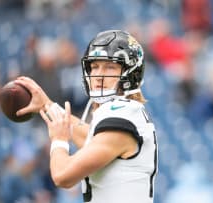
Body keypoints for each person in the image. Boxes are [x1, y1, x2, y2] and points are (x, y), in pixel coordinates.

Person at [15, 30, 158, 203]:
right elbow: (89, 136)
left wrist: (59, 140)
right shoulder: (122, 112)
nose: (98, 75)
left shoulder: (123, 118)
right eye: (95, 66)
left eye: (110, 67)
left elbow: (62, 176)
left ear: (131, 73)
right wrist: (46, 105)